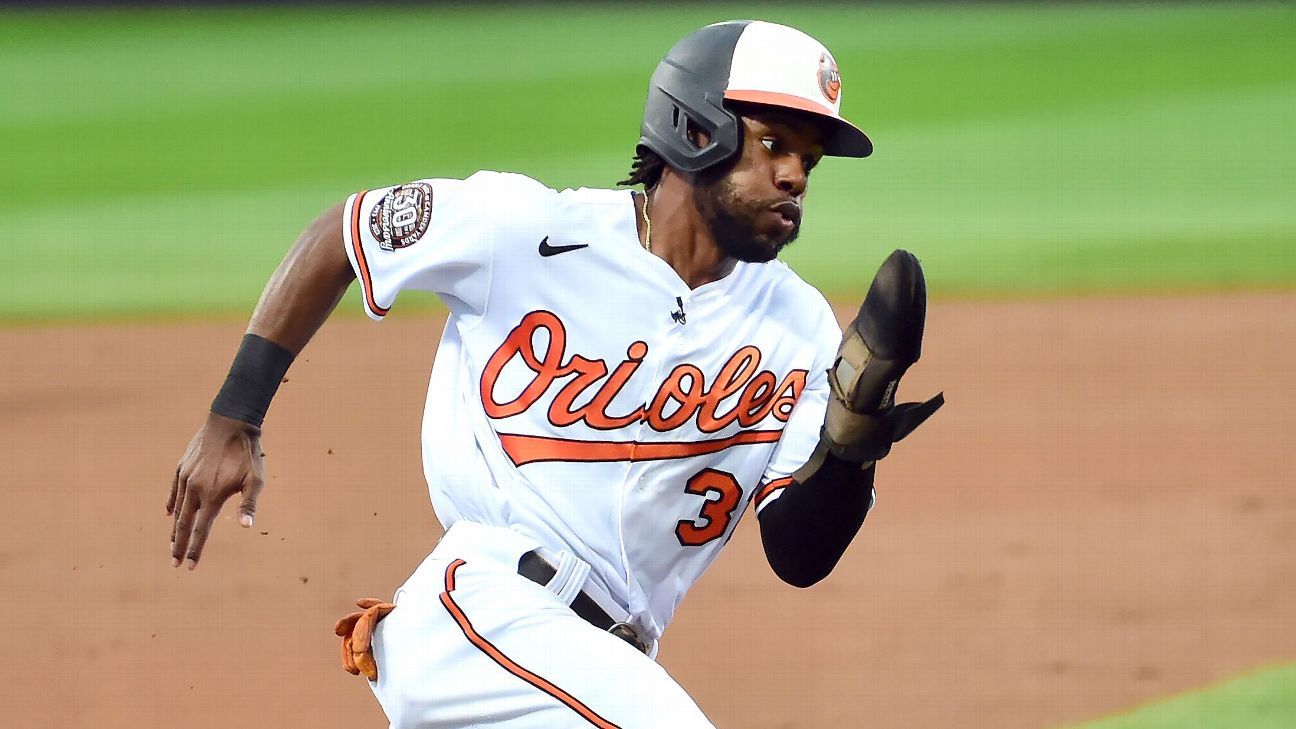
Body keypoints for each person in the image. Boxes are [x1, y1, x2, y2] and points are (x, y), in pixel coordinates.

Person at [167, 20, 942, 728]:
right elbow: (348, 231)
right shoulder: (528, 231)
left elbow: (799, 555)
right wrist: (234, 416)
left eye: (807, 160)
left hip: (585, 671)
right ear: (695, 126)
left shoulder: (798, 328)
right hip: (485, 616)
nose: (797, 176)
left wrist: (850, 442)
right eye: (774, 145)